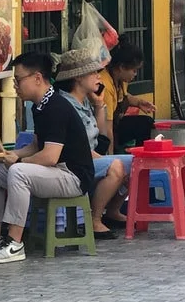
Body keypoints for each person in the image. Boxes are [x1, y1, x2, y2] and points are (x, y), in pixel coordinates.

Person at [0, 52, 95, 264]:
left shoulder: (56, 107)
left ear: (37, 78)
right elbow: (36, 145)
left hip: (72, 176)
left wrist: (18, 162)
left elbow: (50, 157)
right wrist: (10, 154)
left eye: (18, 80)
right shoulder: (40, 106)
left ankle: (14, 243)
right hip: (54, 170)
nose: (15, 85)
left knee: (18, 172)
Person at [56, 48, 133, 238]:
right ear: (78, 77)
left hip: (92, 156)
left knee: (136, 162)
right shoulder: (66, 105)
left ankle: (112, 211)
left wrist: (99, 105)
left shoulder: (84, 102)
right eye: (93, 73)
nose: (98, 77)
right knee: (116, 167)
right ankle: (94, 219)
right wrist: (105, 158)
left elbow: (100, 138)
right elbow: (76, 147)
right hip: (75, 163)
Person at [98, 40, 155, 153]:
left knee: (146, 123)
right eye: (134, 70)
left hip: (116, 123)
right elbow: (107, 127)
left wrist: (138, 102)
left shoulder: (121, 79)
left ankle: (142, 155)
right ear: (122, 67)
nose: (135, 74)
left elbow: (123, 96)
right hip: (102, 128)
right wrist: (111, 158)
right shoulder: (105, 84)